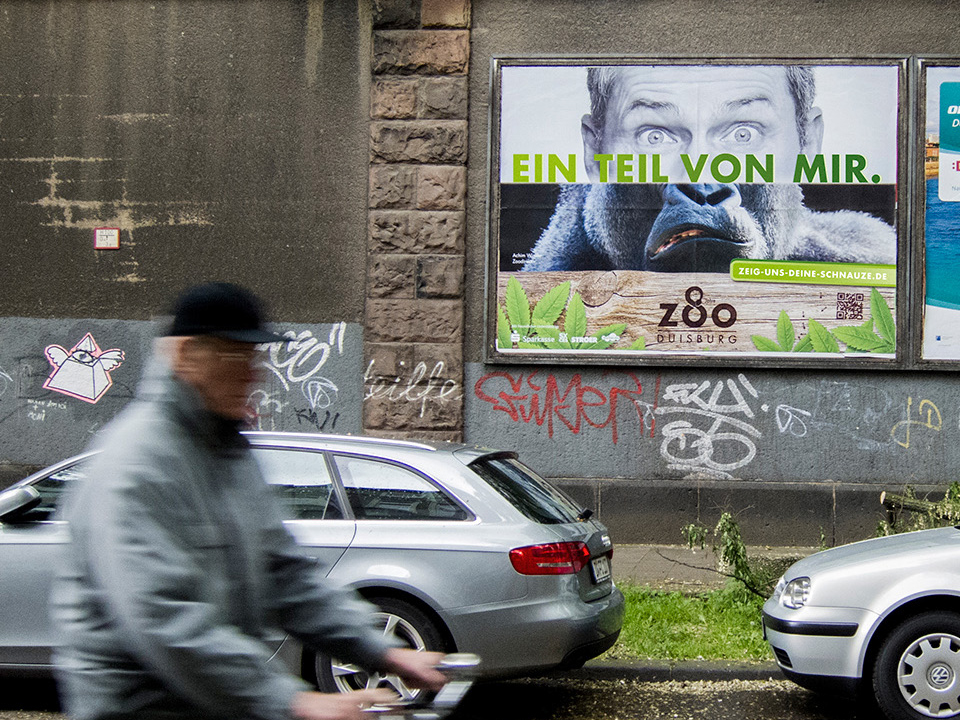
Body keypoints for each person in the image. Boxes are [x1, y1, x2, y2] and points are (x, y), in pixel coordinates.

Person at [51, 282, 447, 720]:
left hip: (217, 704)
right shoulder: (135, 463)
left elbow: (284, 574)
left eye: (254, 357)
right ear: (185, 356)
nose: (251, 373)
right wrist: (293, 701)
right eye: (233, 357)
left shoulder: (228, 451)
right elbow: (164, 621)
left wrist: (384, 653)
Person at [521, 64, 896, 272]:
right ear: (593, 150)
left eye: (744, 133)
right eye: (654, 136)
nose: (701, 183)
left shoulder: (863, 259)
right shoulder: (555, 276)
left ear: (808, 143)